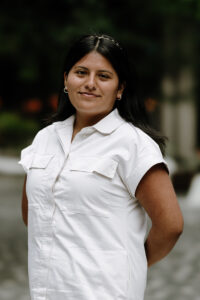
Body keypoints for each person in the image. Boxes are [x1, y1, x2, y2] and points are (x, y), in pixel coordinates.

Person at [19, 34, 184, 300]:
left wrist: (128, 264)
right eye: (81, 72)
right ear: (66, 79)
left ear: (120, 89)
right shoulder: (45, 139)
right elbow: (34, 215)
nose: (90, 83)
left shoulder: (133, 145)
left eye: (104, 76)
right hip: (46, 291)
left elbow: (170, 226)